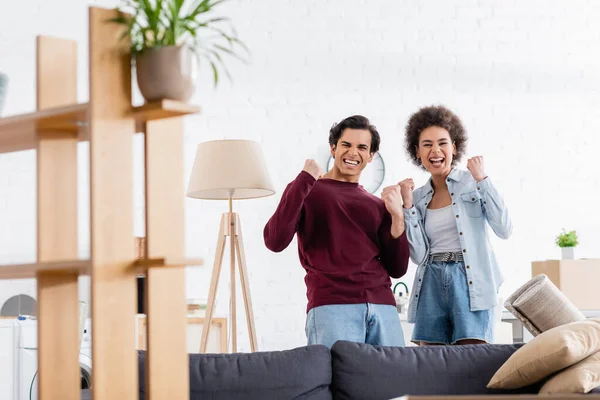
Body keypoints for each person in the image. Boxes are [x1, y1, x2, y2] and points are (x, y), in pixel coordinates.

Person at [263, 115, 410, 349]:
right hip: (332, 305)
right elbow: (275, 240)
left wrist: (398, 217)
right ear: (333, 148)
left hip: (382, 306)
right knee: (334, 381)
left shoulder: (377, 204)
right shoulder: (308, 189)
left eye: (362, 147)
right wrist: (304, 179)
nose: (353, 153)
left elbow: (398, 268)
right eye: (346, 145)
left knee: (392, 382)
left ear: (371, 156)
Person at [400, 105, 512, 346]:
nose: (435, 150)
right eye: (427, 144)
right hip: (431, 279)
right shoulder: (417, 197)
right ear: (417, 152)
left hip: (470, 280)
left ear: (455, 147)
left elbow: (504, 229)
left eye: (442, 142)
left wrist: (482, 179)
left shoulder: (473, 183)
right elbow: (418, 255)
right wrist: (407, 207)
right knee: (430, 365)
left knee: (472, 361)